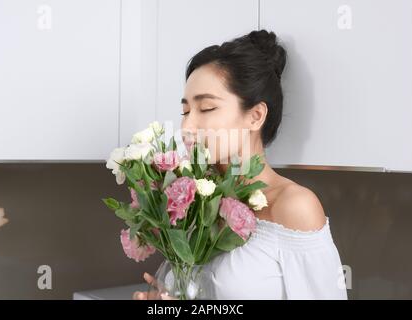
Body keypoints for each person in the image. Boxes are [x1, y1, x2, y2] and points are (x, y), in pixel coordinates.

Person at [133, 29, 348, 300]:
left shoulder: (293, 207)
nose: (187, 126)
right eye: (185, 111)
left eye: (207, 108)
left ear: (255, 116)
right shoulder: (192, 203)